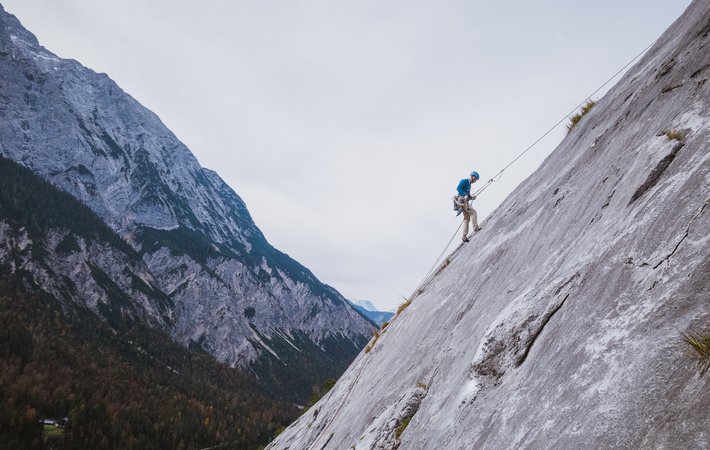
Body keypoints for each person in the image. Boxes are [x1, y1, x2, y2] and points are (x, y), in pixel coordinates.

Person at [454, 171, 482, 242]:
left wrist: (472, 197)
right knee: (473, 212)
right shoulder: (464, 181)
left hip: (464, 201)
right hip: (461, 200)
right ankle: (476, 227)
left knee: (467, 218)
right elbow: (458, 188)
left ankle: (464, 236)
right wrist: (465, 195)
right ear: (473, 177)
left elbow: (468, 196)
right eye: (476, 179)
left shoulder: (469, 185)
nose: (475, 181)